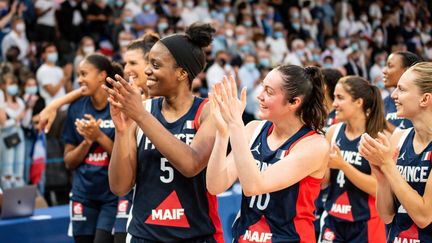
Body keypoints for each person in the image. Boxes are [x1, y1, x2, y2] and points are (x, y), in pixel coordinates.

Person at [104, 22, 224, 242]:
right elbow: (119, 187)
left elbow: (191, 164)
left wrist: (140, 116)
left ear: (181, 73)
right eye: (148, 62)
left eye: (156, 65)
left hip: (197, 235)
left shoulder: (209, 112)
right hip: (144, 235)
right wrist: (122, 131)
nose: (147, 70)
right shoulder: (143, 112)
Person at [206, 65, 329, 242]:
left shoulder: (314, 145)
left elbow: (254, 186)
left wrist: (235, 126)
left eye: (269, 92)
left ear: (294, 102)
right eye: (262, 87)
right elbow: (215, 185)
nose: (259, 95)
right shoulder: (253, 129)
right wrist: (222, 133)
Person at [359, 62, 432, 243]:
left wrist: (387, 165)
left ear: (425, 99)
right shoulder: (398, 137)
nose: (393, 95)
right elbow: (386, 215)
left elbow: (424, 217)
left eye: (402, 89)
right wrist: (380, 173)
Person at [62, 54, 123, 243]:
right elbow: (69, 162)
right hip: (83, 195)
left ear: (101, 75)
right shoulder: (76, 108)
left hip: (111, 195)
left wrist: (98, 136)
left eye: (83, 74)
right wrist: (87, 141)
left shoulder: (119, 106)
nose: (79, 79)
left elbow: (126, 157)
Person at [320, 76, 387, 242]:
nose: (334, 104)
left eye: (340, 98)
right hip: (333, 218)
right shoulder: (332, 132)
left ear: (359, 102)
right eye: (334, 97)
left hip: (366, 222)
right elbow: (324, 183)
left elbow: (376, 188)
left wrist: (343, 165)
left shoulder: (377, 138)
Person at [382, 51, 421, 131]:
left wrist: (382, 123)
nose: (384, 70)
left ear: (407, 70)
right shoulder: (384, 103)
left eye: (390, 66)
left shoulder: (420, 100)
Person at [0, 73, 25, 189]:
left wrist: (28, 108)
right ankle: (7, 200)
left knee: (19, 170)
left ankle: (20, 199)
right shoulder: (1, 101)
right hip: (6, 135)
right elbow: (3, 124)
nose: (12, 86)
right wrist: (16, 119)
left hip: (20, 134)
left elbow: (25, 122)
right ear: (4, 86)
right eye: (10, 84)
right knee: (7, 170)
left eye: (14, 83)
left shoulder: (20, 101)